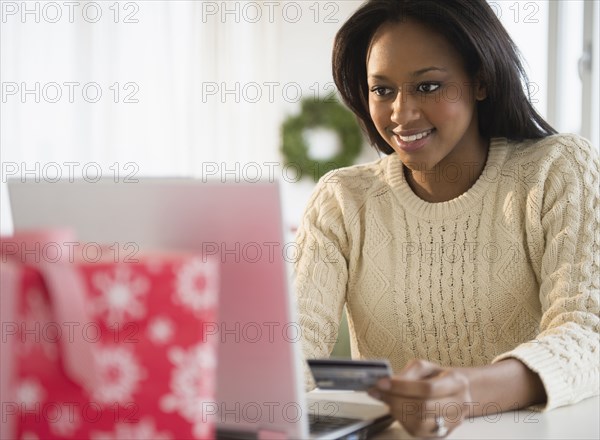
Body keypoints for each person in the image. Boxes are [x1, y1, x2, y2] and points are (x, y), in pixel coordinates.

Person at [293, 0, 599, 438]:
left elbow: (589, 334)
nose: (401, 113)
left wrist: (466, 392)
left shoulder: (557, 170)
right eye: (383, 90)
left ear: (480, 81)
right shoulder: (341, 201)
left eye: (428, 87)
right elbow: (293, 348)